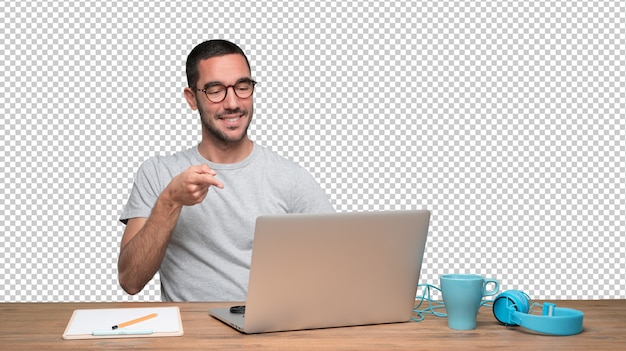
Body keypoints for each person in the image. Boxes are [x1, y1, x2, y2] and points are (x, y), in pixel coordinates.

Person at [118, 39, 334, 302]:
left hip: (265, 333)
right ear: (192, 98)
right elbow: (130, 280)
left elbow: (337, 265)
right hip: (190, 337)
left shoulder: (290, 177)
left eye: (243, 87)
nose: (233, 103)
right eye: (215, 90)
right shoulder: (158, 172)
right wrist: (171, 201)